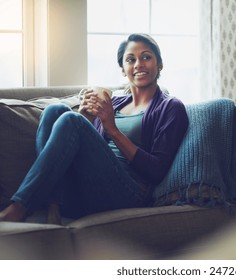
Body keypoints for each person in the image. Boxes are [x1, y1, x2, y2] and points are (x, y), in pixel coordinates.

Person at [0, 33, 189, 223]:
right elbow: (91, 151)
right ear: (123, 70)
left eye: (146, 57)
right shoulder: (114, 102)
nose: (138, 64)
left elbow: (156, 171)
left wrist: (112, 130)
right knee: (55, 110)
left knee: (72, 120)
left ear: (160, 64)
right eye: (131, 59)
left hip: (129, 193)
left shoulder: (170, 107)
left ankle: (20, 206)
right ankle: (53, 205)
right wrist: (86, 118)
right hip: (89, 189)